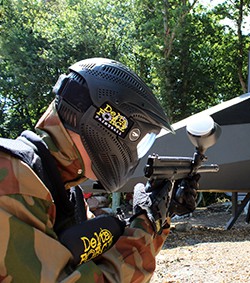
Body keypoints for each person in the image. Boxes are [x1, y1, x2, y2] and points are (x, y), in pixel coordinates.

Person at [0, 58, 198, 282]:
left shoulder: (62, 190)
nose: (136, 155)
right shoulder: (11, 179)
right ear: (107, 123)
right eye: (139, 141)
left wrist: (159, 217)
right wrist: (146, 223)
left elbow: (104, 258)